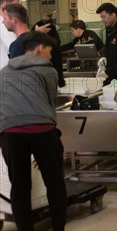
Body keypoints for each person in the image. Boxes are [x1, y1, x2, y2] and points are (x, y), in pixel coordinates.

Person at [0, 32, 67, 231]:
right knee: (55, 183)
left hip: (10, 133)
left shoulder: (3, 71)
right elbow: (50, 103)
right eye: (49, 51)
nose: (50, 56)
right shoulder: (49, 71)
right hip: (42, 130)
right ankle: (58, 228)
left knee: (19, 187)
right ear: (39, 48)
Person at [4, 4, 65, 87]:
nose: (3, 21)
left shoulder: (18, 45)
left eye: (5, 18)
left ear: (14, 20)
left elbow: (16, 77)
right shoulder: (38, 41)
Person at [0, 0, 21, 70]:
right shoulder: (3, 23)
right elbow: (17, 46)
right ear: (5, 3)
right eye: (15, 5)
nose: (17, 9)